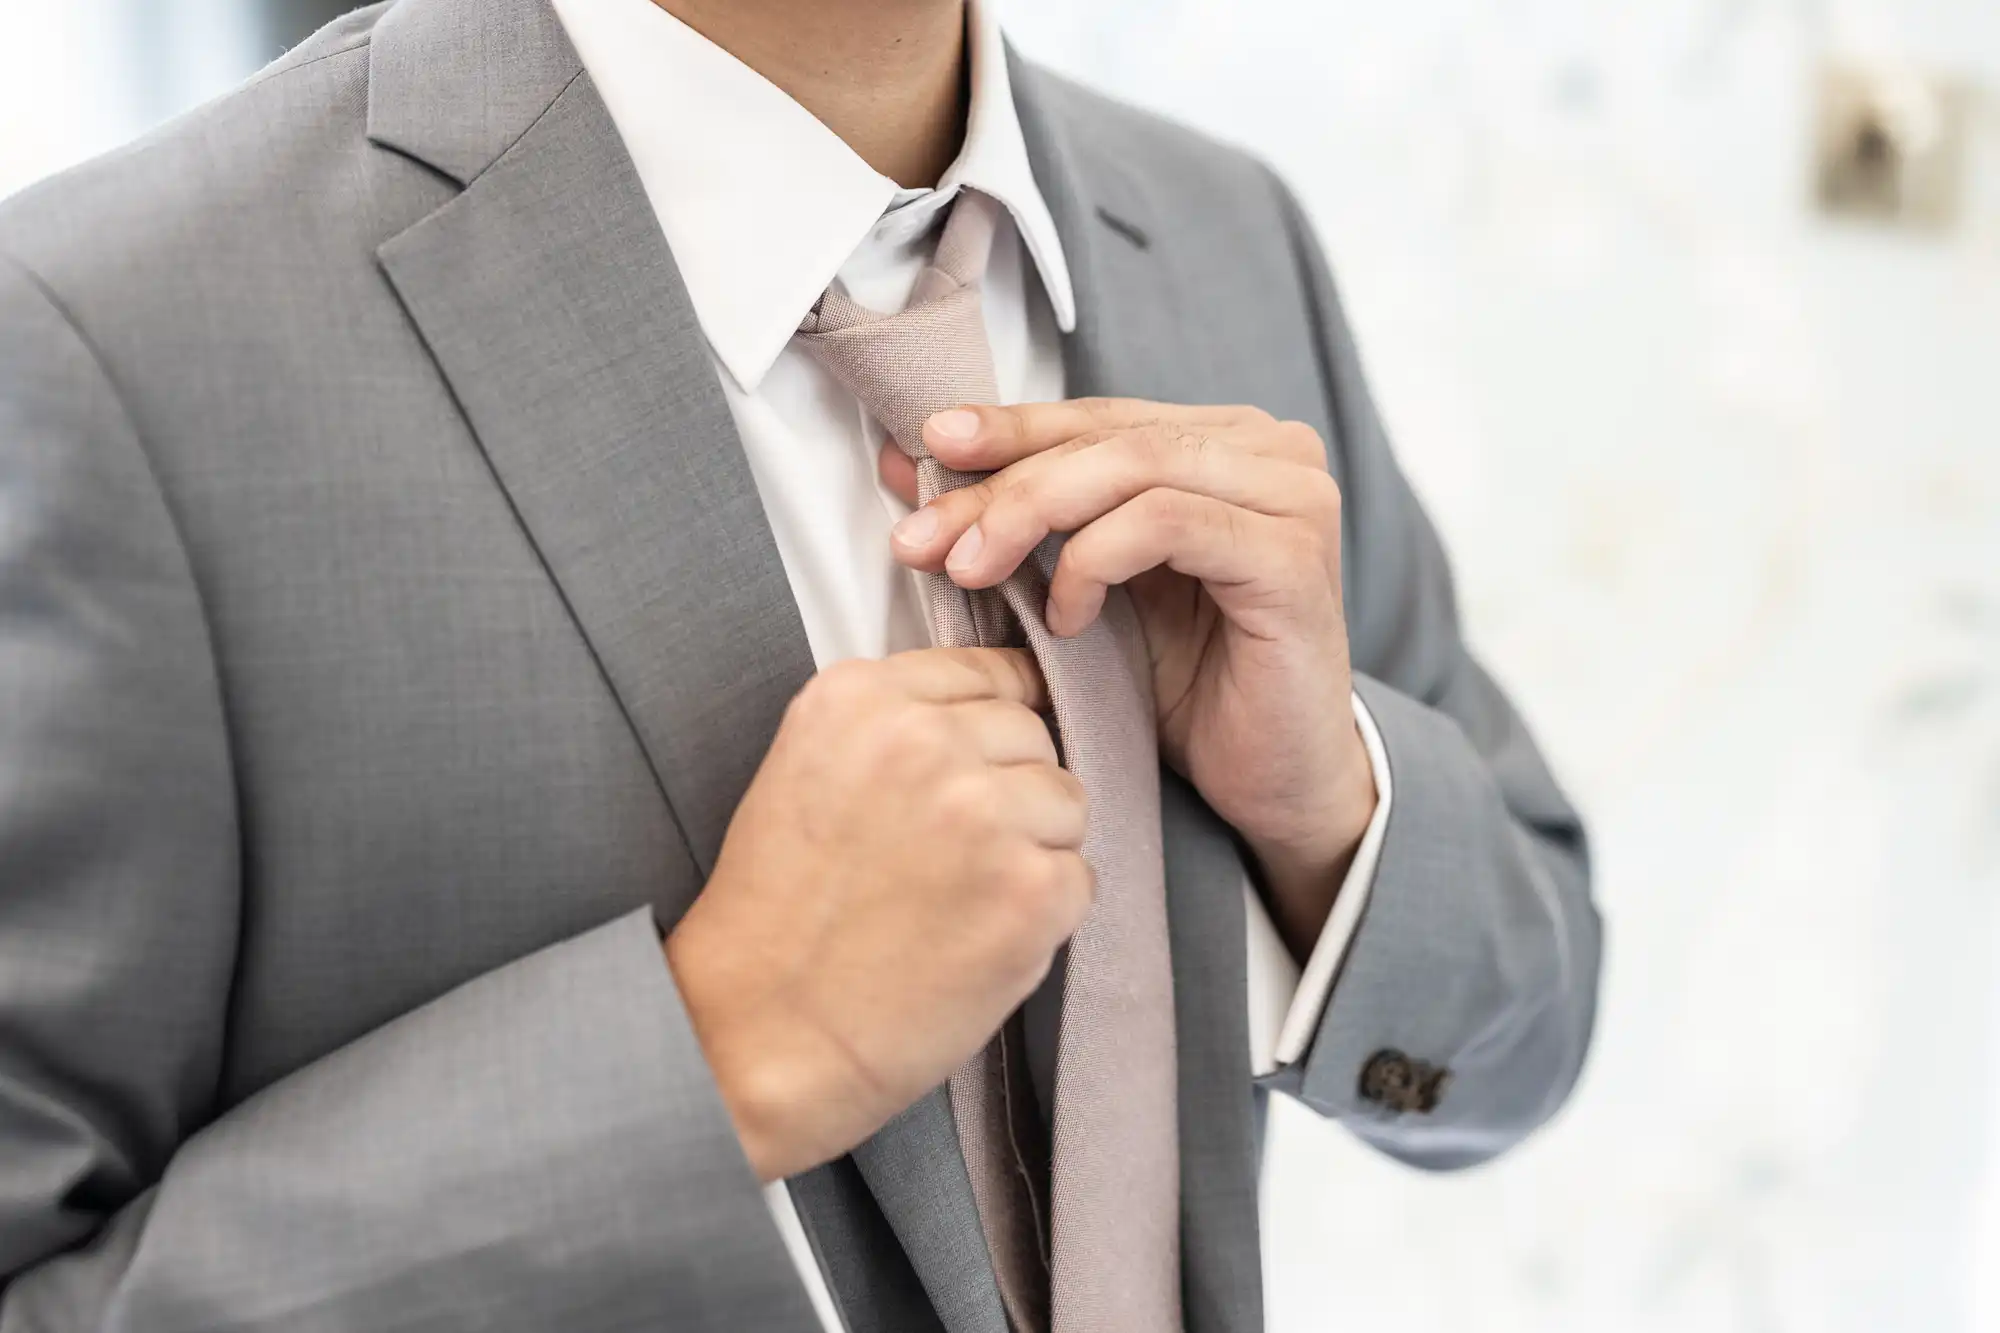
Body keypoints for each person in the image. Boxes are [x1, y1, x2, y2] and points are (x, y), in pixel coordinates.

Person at [0, 0, 1601, 1328]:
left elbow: (1521, 1044)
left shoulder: (1226, 237)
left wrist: (1327, 815)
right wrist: (720, 1057)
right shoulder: (96, 341)